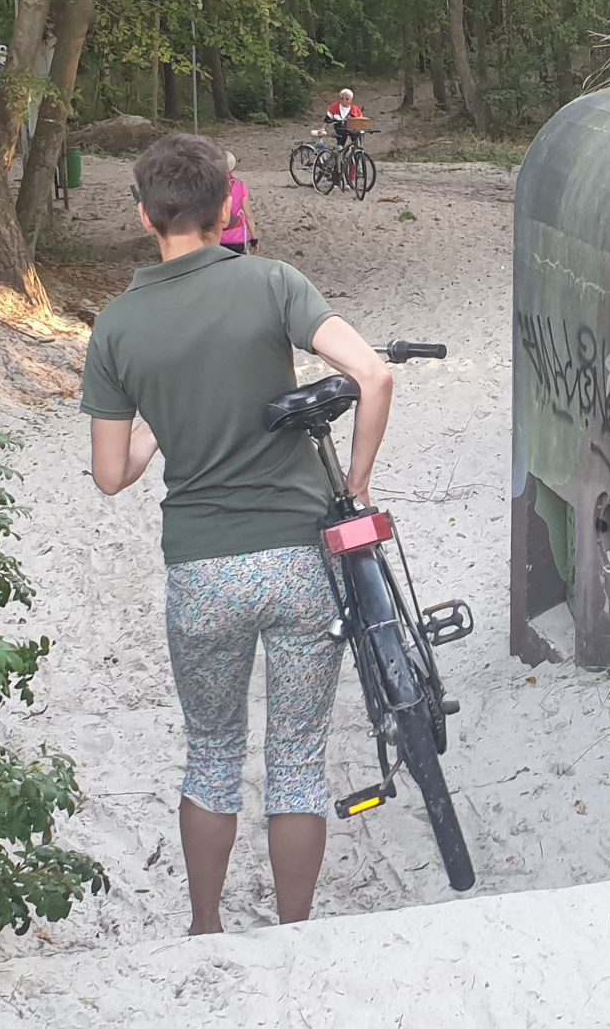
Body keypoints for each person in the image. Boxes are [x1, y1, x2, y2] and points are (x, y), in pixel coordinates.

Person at [81, 133, 393, 933]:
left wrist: (158, 433)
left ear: (144, 214)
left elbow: (111, 475)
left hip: (203, 570)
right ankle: (294, 933)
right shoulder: (272, 283)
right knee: (296, 761)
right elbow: (374, 374)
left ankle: (205, 928)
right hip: (296, 560)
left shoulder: (116, 328)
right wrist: (354, 488)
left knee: (213, 754)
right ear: (228, 206)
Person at [219, 152, 257, 255]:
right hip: (238, 237)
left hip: (218, 237)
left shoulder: (212, 186)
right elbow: (249, 215)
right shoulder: (240, 186)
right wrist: (254, 238)